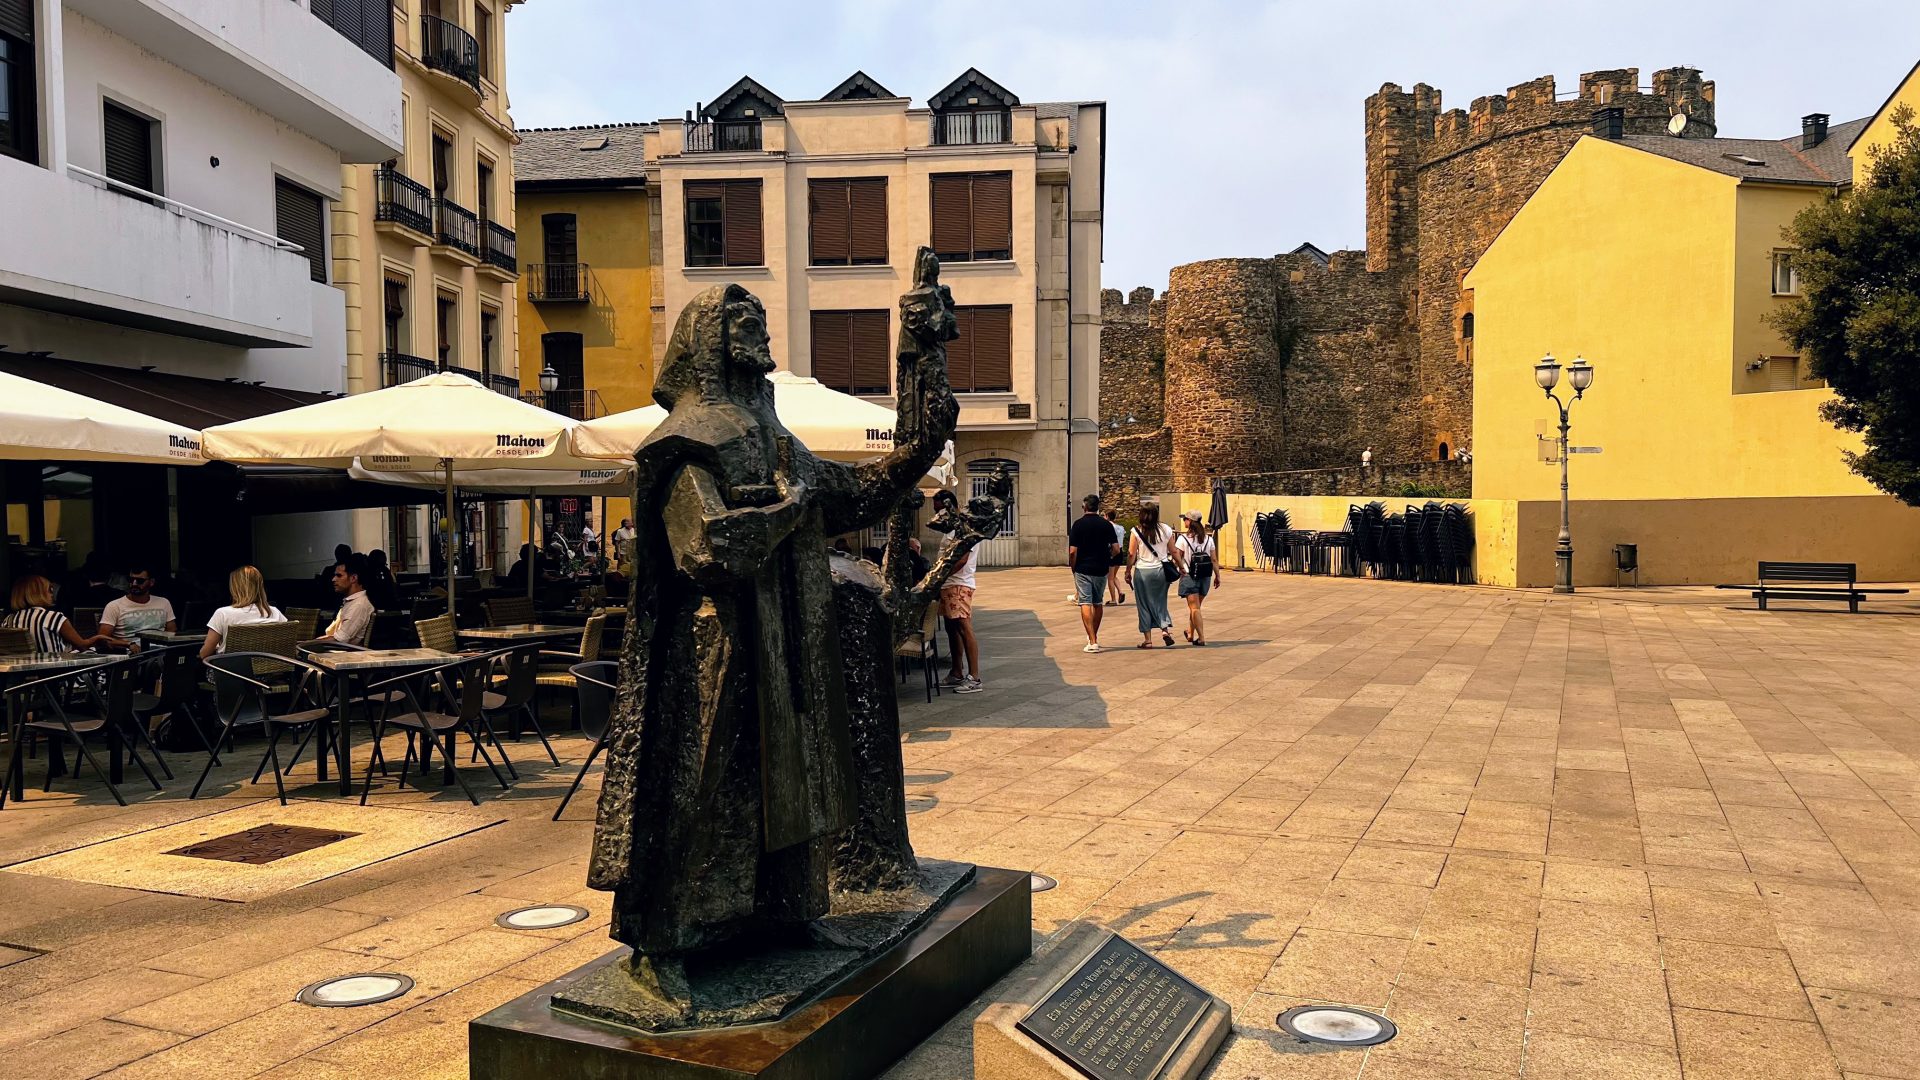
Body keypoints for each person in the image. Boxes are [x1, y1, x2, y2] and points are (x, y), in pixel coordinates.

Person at [930, 491, 983, 694]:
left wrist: (939, 576)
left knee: (963, 625)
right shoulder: (951, 529)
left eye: (939, 510)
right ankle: (957, 671)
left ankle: (974, 677)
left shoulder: (962, 529)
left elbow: (961, 560)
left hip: (958, 584)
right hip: (949, 584)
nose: (937, 516)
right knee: (952, 628)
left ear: (949, 507)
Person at [5, 575, 119, 653]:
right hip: (56, 674)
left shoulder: (9, 620)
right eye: (50, 589)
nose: (52, 594)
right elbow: (82, 645)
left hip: (23, 678)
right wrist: (98, 637)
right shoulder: (53, 618)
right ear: (38, 593)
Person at [1066, 493, 1121, 653]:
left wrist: (1073, 567)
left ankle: (1092, 640)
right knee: (1097, 602)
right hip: (1101, 568)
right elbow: (1116, 549)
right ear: (1098, 507)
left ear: (1084, 507)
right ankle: (1094, 636)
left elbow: (1072, 552)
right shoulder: (1106, 525)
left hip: (1083, 568)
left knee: (1085, 602)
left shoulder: (1078, 525)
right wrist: (1106, 557)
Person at [199, 566, 287, 659]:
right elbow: (287, 645)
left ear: (235, 588)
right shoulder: (275, 612)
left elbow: (204, 653)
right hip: (271, 670)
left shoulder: (223, 613)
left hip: (229, 671)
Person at [1126, 501, 1181, 649]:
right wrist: (1181, 567)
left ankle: (1148, 639)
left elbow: (1131, 554)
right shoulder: (1166, 529)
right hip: (1161, 571)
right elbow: (1174, 551)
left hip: (1143, 571)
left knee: (1143, 604)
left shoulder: (1136, 531)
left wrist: (1127, 571)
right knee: (1160, 601)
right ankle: (1164, 630)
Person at [1175, 510, 1222, 646]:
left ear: (1190, 522)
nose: (1184, 521)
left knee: (1194, 608)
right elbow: (1214, 559)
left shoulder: (1183, 539)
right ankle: (1190, 633)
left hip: (1190, 576)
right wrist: (1217, 575)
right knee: (1196, 607)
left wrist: (1179, 569)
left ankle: (1201, 638)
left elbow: (1177, 557)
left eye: (1185, 519)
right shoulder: (1208, 539)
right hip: (1205, 577)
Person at [98, 565, 177, 642]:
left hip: (160, 650)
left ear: (151, 582)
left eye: (140, 581)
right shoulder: (114, 606)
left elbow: (171, 633)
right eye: (131, 579)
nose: (134, 583)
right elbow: (103, 639)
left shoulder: (164, 603)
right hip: (130, 652)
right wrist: (127, 645)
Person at [315, 553, 373, 646]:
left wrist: (307, 644)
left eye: (339, 575)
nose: (333, 579)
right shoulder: (350, 601)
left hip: (342, 655)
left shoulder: (359, 605)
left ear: (353, 578)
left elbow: (339, 640)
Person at [1103, 508, 1127, 606]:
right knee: (1113, 576)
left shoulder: (1108, 527)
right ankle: (1120, 591)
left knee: (1110, 578)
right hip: (1120, 551)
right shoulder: (1121, 527)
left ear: (1107, 516)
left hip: (1112, 551)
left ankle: (1113, 599)